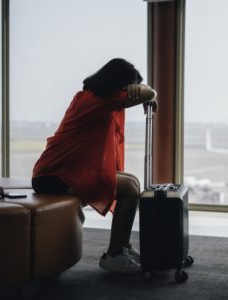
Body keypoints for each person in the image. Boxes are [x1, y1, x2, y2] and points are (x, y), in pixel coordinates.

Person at [32, 58, 157, 274]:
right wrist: (148, 94)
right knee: (129, 189)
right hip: (54, 176)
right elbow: (148, 92)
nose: (129, 94)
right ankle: (114, 254)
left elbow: (141, 94)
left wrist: (143, 93)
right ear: (118, 84)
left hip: (66, 171)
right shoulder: (94, 100)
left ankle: (122, 247)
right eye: (129, 88)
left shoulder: (97, 98)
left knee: (132, 181)